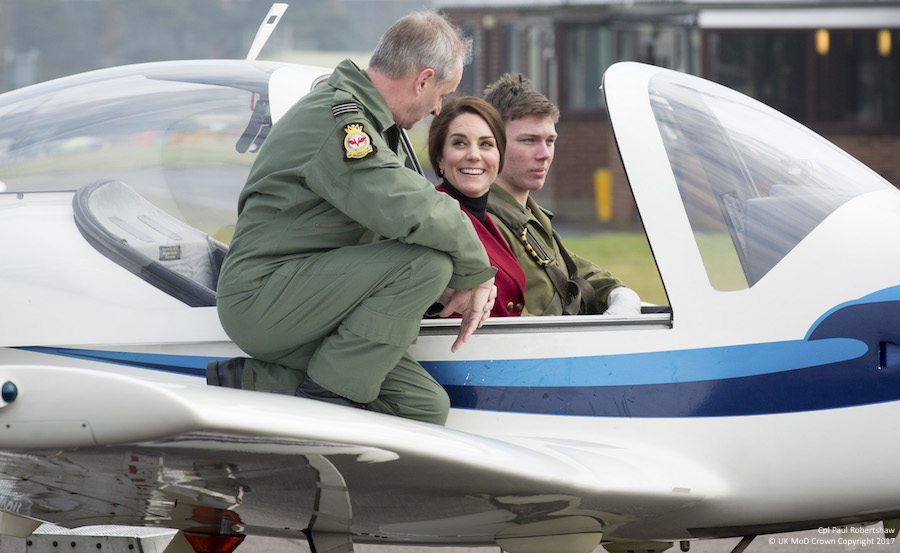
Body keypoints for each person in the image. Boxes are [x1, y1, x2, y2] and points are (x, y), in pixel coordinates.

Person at [210, 12, 498, 426]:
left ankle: (266, 385)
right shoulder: (339, 122)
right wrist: (478, 273)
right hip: (264, 300)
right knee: (427, 263)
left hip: (309, 298)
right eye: (441, 94)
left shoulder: (370, 121)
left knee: (423, 408)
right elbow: (411, 207)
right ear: (422, 80)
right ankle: (324, 405)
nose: (438, 109)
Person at [483, 73, 641, 316]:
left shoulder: (529, 217)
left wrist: (619, 293)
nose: (544, 153)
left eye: (550, 140)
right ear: (492, 143)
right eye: (529, 140)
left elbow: (568, 269)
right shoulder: (484, 223)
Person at [427, 96, 525, 317]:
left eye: (486, 144)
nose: (474, 155)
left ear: (499, 156)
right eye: (459, 143)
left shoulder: (489, 220)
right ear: (440, 158)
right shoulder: (431, 221)